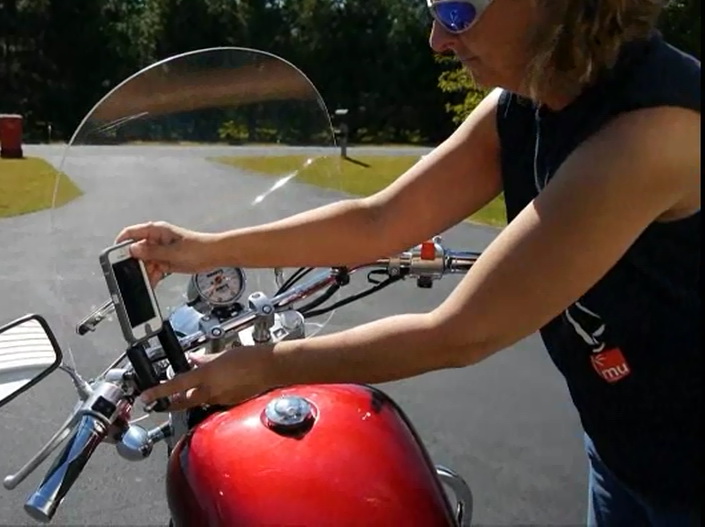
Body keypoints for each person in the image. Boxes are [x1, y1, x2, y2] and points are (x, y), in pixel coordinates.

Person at [117, 1, 701, 525]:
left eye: (455, 10)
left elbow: (457, 333)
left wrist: (262, 366)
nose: (437, 41)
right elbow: (381, 221)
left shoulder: (654, 131)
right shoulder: (527, 101)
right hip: (623, 452)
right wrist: (205, 249)